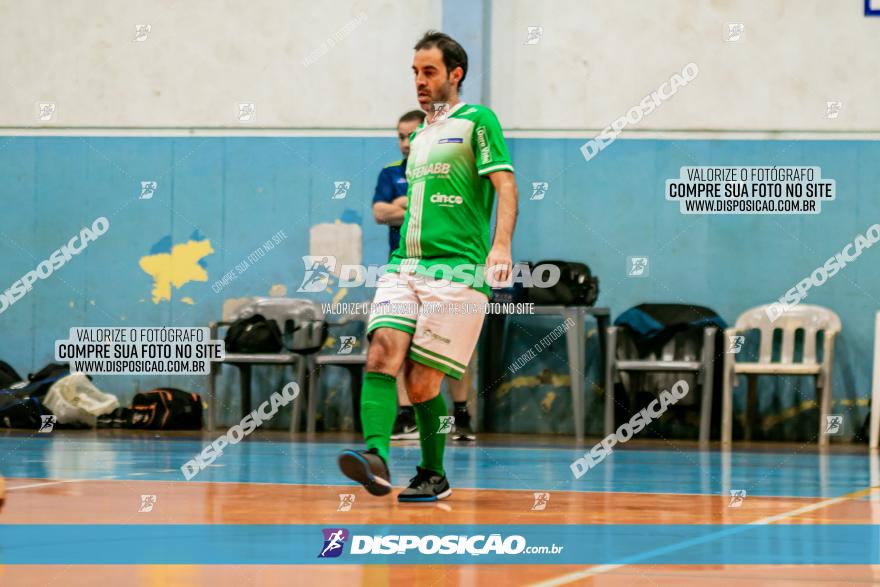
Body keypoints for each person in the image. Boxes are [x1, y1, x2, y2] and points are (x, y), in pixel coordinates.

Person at [338, 30, 517, 501]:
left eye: (430, 71)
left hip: (459, 271)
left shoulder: (478, 120)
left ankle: (432, 472)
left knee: (421, 384)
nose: (419, 80)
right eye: (415, 72)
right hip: (404, 266)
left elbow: (505, 186)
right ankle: (374, 456)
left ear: (455, 74)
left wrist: (500, 247)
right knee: (381, 352)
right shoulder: (417, 137)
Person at [373, 110, 477, 442]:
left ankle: (461, 416)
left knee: (451, 350)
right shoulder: (390, 174)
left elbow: (449, 210)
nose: (405, 143)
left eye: (411, 135)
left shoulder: (449, 171)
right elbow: (379, 213)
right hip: (404, 271)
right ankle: (406, 419)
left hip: (449, 273)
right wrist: (408, 206)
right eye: (400, 137)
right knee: (398, 347)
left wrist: (404, 206)